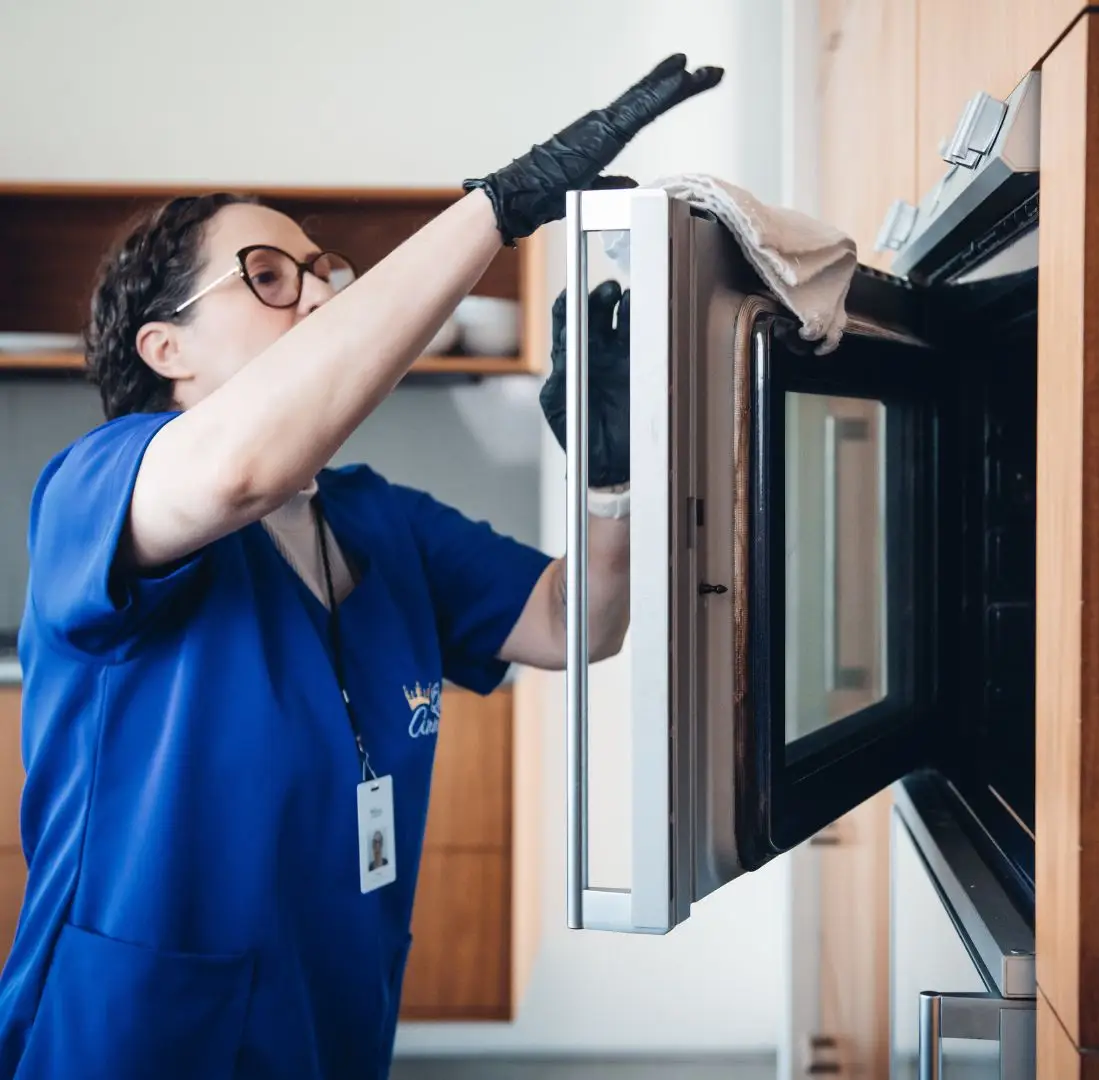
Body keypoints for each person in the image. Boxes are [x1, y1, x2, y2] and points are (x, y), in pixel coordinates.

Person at [0, 53, 723, 1080]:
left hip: (331, 1023)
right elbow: (242, 470)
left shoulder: (381, 520)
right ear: (167, 351)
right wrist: (501, 206)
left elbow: (578, 622)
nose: (320, 292)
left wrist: (611, 479)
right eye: (265, 275)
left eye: (321, 268)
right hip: (136, 1037)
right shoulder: (99, 486)